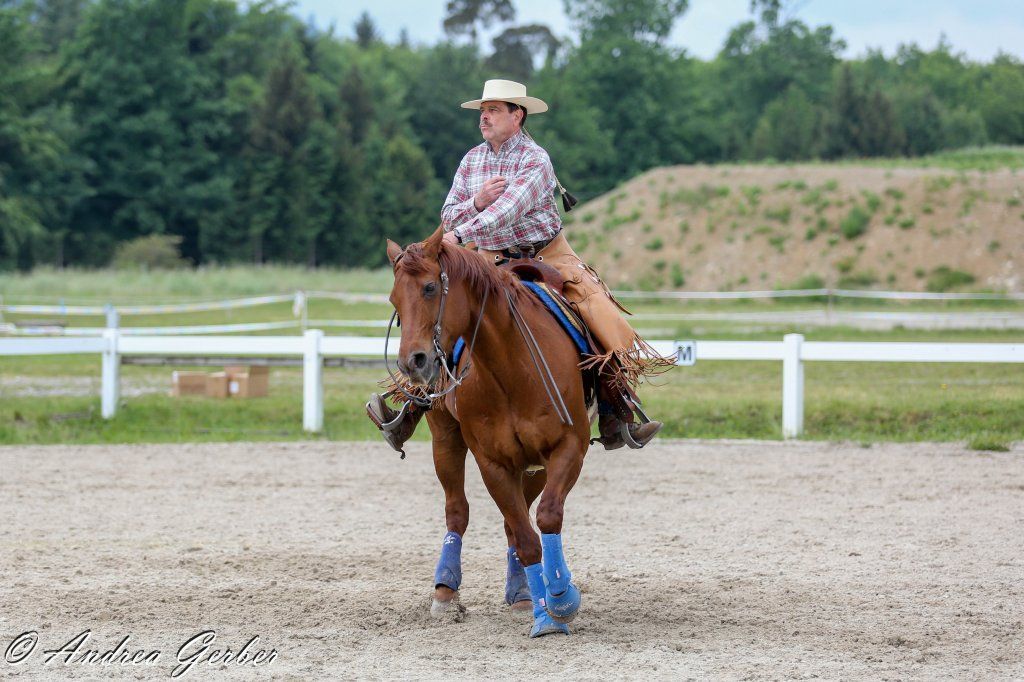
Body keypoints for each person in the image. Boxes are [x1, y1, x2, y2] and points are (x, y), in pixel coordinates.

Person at [367, 79, 673, 452]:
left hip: (546, 254)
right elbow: (448, 213)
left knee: (596, 310)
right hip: (487, 258)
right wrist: (476, 202)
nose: (484, 117)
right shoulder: (471, 159)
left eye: (494, 110)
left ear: (518, 115)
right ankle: (411, 406)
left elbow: (510, 210)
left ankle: (616, 410)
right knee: (444, 310)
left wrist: (461, 234)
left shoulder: (535, 159)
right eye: (483, 110)